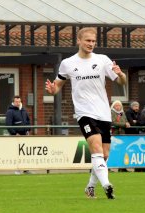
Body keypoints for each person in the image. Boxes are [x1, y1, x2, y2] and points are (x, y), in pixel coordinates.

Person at [45, 27, 127, 199]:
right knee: (96, 148)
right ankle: (107, 186)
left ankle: (90, 187)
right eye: (88, 40)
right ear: (79, 41)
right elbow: (58, 84)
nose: (91, 44)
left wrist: (121, 75)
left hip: (103, 113)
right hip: (84, 113)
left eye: (93, 41)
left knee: (104, 155)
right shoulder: (68, 63)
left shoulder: (103, 60)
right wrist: (53, 90)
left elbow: (121, 82)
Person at [6, 95, 31, 175]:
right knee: (17, 153)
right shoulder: (10, 112)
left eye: (19, 101)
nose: (18, 103)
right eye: (16, 101)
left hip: (25, 135)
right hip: (16, 136)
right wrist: (14, 133)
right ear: (13, 102)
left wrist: (28, 130)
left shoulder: (24, 110)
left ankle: (26, 169)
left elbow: (28, 121)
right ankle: (17, 169)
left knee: (26, 153)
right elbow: (8, 125)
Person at [111, 100, 130, 172]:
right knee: (113, 150)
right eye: (116, 105)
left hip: (122, 133)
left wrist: (127, 123)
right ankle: (109, 167)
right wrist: (124, 124)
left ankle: (122, 167)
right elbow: (113, 123)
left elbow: (125, 120)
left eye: (119, 105)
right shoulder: (112, 112)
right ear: (113, 106)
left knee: (123, 150)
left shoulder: (122, 113)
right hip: (115, 134)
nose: (118, 107)